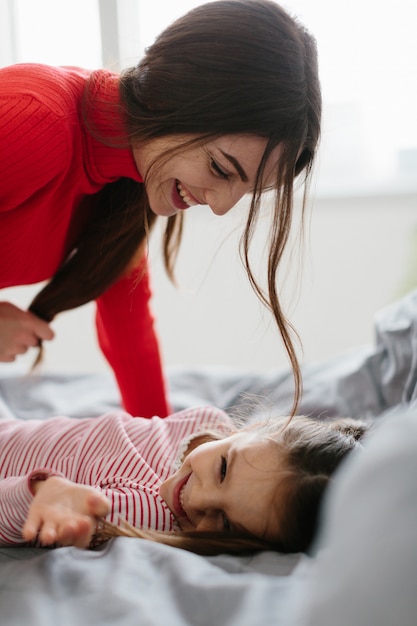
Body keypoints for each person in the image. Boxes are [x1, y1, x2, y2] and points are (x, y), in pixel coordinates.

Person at [0, 0, 321, 418]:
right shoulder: (36, 124)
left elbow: (129, 334)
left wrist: (164, 451)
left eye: (248, 190)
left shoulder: (129, 181)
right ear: (172, 99)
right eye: (221, 168)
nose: (221, 206)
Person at [0, 405, 366, 555]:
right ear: (254, 427)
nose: (198, 500)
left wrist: (39, 493)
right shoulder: (208, 423)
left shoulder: (141, 517)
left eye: (223, 523)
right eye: (223, 469)